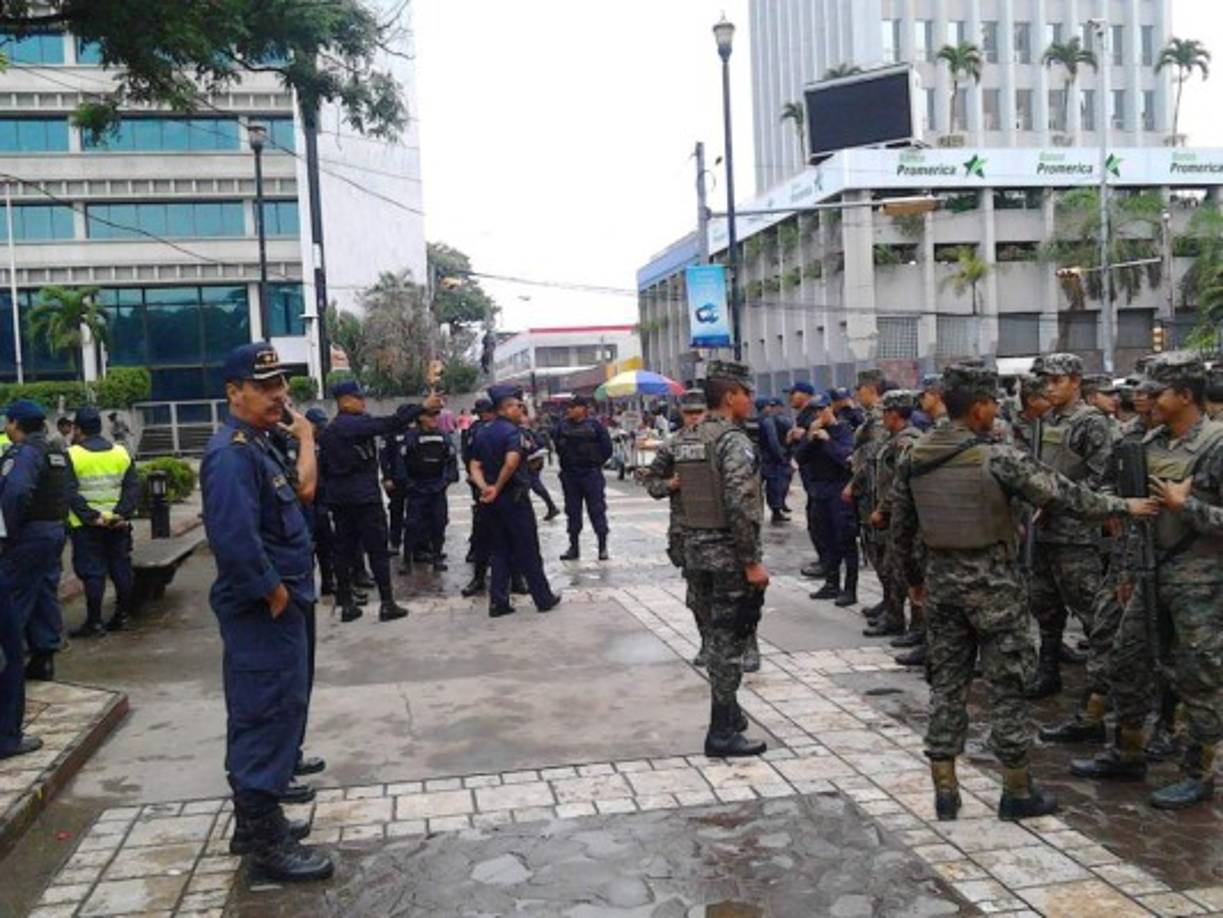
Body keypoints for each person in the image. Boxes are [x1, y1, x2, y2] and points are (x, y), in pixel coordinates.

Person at [890, 362, 1154, 823]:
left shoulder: (914, 456)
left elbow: (900, 530)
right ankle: (1016, 789)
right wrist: (1125, 505)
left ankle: (945, 788)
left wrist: (915, 582)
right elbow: (1066, 497)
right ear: (977, 408)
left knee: (947, 687)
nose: (997, 410)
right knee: (1006, 686)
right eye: (992, 402)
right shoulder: (999, 457)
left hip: (944, 590)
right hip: (996, 591)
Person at [200, 343, 332, 883]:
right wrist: (274, 593)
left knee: (276, 710)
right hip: (264, 609)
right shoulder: (231, 453)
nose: (279, 395)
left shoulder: (259, 443)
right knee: (264, 712)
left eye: (280, 384)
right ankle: (264, 844)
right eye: (265, 387)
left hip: (283, 603)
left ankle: (255, 823)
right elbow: (234, 539)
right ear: (235, 394)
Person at [1071, 352, 1223, 810]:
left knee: (1199, 677)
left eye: (1156, 393)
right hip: (1148, 574)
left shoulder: (1216, 446)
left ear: (1185, 395)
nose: (1144, 400)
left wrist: (1187, 507)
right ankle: (1127, 750)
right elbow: (1129, 513)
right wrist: (1125, 566)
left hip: (1203, 581)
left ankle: (1199, 771)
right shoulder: (1146, 444)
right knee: (1126, 660)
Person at [678, 361, 769, 758]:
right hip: (728, 557)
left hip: (695, 550)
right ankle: (721, 732)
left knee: (715, 638)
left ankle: (730, 715)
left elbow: (662, 483)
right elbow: (740, 503)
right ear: (730, 395)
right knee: (728, 643)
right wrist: (751, 560)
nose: (750, 401)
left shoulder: (689, 437)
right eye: (746, 393)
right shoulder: (733, 441)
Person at [1025, 353, 1116, 700]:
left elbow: (1101, 479)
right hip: (1044, 529)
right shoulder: (1047, 419)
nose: (1048, 387)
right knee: (1045, 607)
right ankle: (1048, 672)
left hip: (1076, 534)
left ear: (1076, 382)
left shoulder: (1090, 422)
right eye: (1045, 380)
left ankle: (1102, 691)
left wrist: (1057, 502)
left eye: (1056, 380)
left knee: (1092, 612)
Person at [318, 380, 427, 623]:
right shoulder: (352, 425)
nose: (363, 402)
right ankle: (387, 603)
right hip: (363, 498)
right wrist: (422, 406)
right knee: (377, 549)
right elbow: (390, 423)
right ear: (345, 400)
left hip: (339, 499)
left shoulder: (329, 431)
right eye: (359, 398)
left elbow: (322, 470)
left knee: (343, 552)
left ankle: (346, 604)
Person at [469, 385, 561, 617]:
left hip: (491, 502)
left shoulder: (483, 432)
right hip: (513, 498)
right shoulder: (513, 432)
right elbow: (511, 463)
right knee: (528, 548)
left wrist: (485, 488)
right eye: (516, 405)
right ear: (505, 408)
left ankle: (498, 602)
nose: (520, 409)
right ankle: (543, 597)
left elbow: (474, 466)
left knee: (499, 550)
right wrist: (498, 487)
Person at [1, 398, 74, 682]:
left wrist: (7, 530)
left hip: (28, 534)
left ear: (15, 424)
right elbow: (68, 489)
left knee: (12, 596)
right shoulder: (55, 452)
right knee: (44, 593)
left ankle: (9, 665)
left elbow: (16, 493)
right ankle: (43, 659)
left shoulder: (24, 453)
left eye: (7, 421)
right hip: (53, 530)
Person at [642, 389, 710, 665]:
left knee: (737, 591)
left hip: (722, 527)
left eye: (699, 412)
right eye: (689, 413)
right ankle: (707, 643)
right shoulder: (672, 446)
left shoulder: (724, 441)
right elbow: (652, 482)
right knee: (697, 592)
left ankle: (748, 643)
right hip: (687, 527)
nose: (694, 418)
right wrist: (669, 485)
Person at [65, 406, 140, 637]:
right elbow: (132, 487)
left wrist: (92, 517)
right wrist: (121, 514)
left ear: (77, 429)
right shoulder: (120, 452)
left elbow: (69, 492)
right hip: (118, 525)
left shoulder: (72, 455)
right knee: (120, 568)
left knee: (93, 573)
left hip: (87, 527)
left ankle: (95, 622)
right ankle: (123, 616)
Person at [865, 390, 923, 642]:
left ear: (894, 415)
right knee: (890, 568)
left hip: (900, 516)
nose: (882, 419)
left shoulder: (907, 442)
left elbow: (902, 482)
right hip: (891, 514)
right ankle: (893, 615)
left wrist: (883, 509)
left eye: (885, 414)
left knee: (903, 570)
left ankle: (915, 627)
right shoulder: (893, 439)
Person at [797, 392, 858, 607]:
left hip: (839, 490)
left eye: (822, 409)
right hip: (819, 490)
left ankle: (850, 588)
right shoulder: (813, 431)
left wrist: (828, 440)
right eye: (814, 411)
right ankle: (831, 583)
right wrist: (810, 438)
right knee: (825, 538)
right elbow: (800, 458)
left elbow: (846, 459)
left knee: (845, 540)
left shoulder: (843, 430)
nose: (818, 414)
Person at [553, 395, 614, 560]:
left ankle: (602, 546)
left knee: (597, 510)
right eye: (569, 407)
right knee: (572, 512)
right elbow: (556, 445)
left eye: (573, 407)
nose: (569, 410)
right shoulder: (562, 426)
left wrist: (595, 462)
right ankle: (574, 547)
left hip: (590, 474)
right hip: (570, 475)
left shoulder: (595, 426)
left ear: (582, 409)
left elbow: (607, 448)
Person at [400, 406, 460, 572]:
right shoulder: (411, 436)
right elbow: (402, 461)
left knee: (439, 523)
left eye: (436, 415)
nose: (434, 418)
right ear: (420, 418)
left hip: (437, 486)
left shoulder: (443, 436)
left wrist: (447, 479)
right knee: (412, 525)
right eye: (430, 415)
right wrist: (408, 483)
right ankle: (407, 561)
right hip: (418, 486)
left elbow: (451, 458)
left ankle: (437, 557)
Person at [785, 381, 825, 577]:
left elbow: (818, 441)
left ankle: (827, 562)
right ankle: (824, 560)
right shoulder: (802, 415)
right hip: (811, 477)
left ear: (806, 394)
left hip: (820, 477)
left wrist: (803, 436)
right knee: (815, 519)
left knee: (820, 521)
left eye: (794, 393)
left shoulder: (814, 413)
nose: (791, 397)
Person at [461, 398, 497, 596]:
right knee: (482, 528)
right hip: (481, 483)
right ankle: (479, 577)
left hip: (505, 486)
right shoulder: (475, 429)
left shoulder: (507, 428)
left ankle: (517, 578)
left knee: (512, 535)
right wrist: (473, 475)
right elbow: (468, 455)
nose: (482, 415)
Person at [304, 408, 336, 597]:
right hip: (305, 504)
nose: (321, 430)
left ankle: (328, 582)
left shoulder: (325, 444)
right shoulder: (298, 444)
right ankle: (307, 587)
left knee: (326, 547)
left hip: (323, 501)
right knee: (307, 548)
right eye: (318, 426)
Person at [757, 396, 790, 523]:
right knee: (774, 485)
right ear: (767, 407)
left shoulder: (754, 420)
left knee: (756, 487)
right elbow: (773, 442)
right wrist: (780, 456)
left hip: (758, 457)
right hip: (769, 459)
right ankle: (776, 512)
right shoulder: (768, 421)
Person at [521, 415, 560, 520]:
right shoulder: (527, 431)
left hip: (530, 463)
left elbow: (538, 446)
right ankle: (551, 507)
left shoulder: (525, 432)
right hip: (533, 462)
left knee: (531, 486)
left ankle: (550, 507)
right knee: (532, 486)